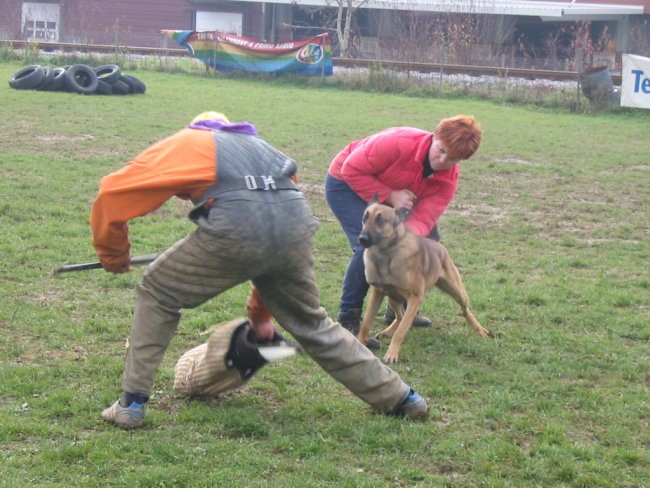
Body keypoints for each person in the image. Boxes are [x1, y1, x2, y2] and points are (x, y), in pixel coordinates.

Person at [90, 111, 428, 428]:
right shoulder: (263, 147)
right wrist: (261, 316)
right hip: (295, 222)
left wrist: (113, 255)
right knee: (313, 323)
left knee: (158, 292)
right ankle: (401, 396)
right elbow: (270, 237)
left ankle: (131, 404)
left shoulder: (192, 142)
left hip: (239, 223)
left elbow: (112, 192)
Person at [325, 115, 482, 342]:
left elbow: (424, 219)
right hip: (346, 183)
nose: (442, 160)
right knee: (370, 246)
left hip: (395, 200)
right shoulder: (397, 141)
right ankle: (349, 319)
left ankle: (399, 310)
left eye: (452, 159)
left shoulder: (447, 181)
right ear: (434, 136)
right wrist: (391, 195)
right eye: (440, 150)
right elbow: (352, 169)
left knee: (425, 241)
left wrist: (403, 240)